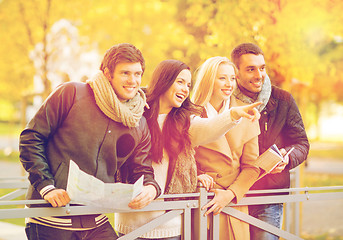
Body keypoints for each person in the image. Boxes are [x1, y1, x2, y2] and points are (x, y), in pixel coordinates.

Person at [19, 43, 161, 240]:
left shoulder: (139, 122)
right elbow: (31, 137)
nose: (133, 80)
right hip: (50, 218)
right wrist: (46, 186)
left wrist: (151, 187)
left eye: (137, 74)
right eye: (125, 73)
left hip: (96, 221)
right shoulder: (71, 93)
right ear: (107, 73)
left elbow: (142, 170)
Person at [115, 59, 261, 239]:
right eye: (180, 82)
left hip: (170, 224)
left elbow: (210, 127)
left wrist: (234, 114)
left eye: (188, 84)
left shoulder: (185, 123)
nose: (185, 89)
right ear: (164, 80)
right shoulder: (132, 115)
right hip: (130, 222)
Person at [230, 43, 310, 240]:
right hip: (230, 194)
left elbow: (301, 143)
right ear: (236, 72)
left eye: (262, 67)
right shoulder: (225, 99)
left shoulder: (283, 100)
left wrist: (287, 157)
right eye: (251, 69)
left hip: (268, 196)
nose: (259, 75)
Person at [192, 56, 262, 240]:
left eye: (232, 78)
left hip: (232, 200)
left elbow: (252, 166)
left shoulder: (247, 113)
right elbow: (179, 156)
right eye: (222, 78)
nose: (229, 84)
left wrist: (230, 194)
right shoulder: (190, 113)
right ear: (209, 80)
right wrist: (196, 174)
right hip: (201, 198)